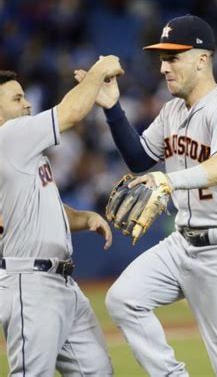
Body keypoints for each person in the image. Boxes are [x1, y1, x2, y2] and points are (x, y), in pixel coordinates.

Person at [86, 15, 217, 376]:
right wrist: (113, 109)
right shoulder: (171, 110)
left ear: (202, 59)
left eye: (173, 57)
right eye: (162, 59)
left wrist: (169, 181)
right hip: (182, 243)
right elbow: (139, 159)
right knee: (123, 300)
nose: (164, 67)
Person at [0, 56, 123, 376]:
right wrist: (99, 70)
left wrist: (83, 218)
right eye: (17, 98)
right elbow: (70, 112)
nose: (27, 104)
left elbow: (37, 209)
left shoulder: (23, 151)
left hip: (61, 283)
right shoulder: (9, 136)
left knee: (97, 371)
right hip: (31, 283)